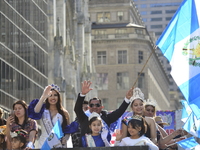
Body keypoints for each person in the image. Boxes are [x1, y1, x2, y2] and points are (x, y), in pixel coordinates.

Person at [74, 80, 133, 146]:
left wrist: (127, 98)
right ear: (89, 107)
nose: (94, 107)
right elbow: (77, 109)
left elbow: (119, 112)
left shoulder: (107, 118)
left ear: (102, 107)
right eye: (92, 105)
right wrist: (82, 94)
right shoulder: (84, 119)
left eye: (97, 105)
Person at [28, 84, 71, 148]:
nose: (53, 97)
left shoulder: (64, 112)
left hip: (58, 144)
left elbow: (68, 130)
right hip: (44, 144)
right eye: (50, 95)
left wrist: (66, 138)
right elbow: (35, 111)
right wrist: (43, 97)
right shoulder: (43, 110)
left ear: (58, 97)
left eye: (55, 95)